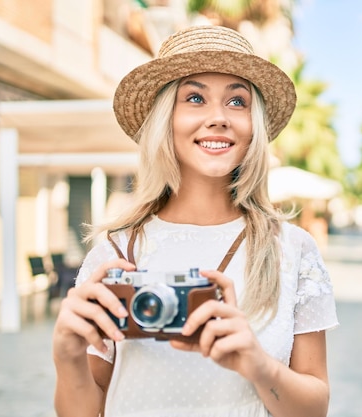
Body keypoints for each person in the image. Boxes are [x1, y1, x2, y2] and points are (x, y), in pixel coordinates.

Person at [52, 25, 339, 417]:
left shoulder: (292, 250)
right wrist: (67, 357)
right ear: (165, 119)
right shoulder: (116, 255)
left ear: (254, 125)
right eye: (195, 97)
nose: (218, 117)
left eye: (237, 102)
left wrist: (257, 364)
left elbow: (314, 409)